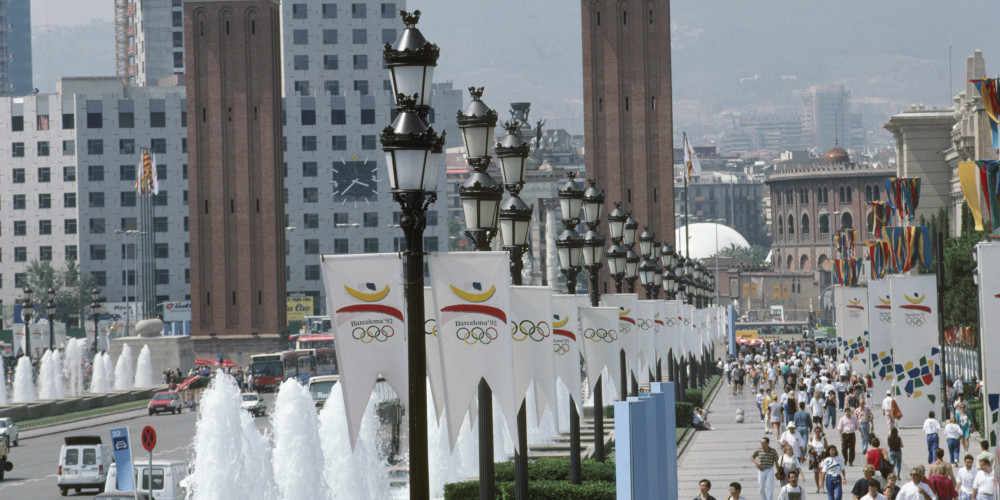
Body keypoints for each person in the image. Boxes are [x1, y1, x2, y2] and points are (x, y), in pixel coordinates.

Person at [811, 427, 831, 493]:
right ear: (814, 432)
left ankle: (822, 486)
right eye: (816, 431)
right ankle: (818, 487)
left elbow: (827, 447)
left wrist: (828, 456)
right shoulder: (812, 438)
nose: (817, 433)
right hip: (814, 456)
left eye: (818, 431)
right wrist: (810, 447)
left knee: (822, 472)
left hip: (822, 456)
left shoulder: (823, 439)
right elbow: (809, 447)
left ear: (820, 432)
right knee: (816, 472)